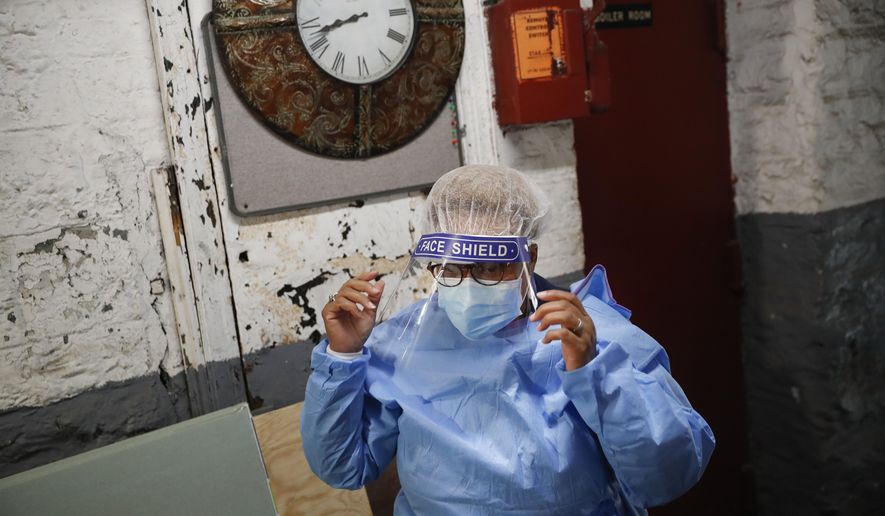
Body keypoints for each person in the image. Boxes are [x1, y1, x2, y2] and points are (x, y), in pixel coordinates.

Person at [301, 165, 715, 515]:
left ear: (528, 258)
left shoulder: (590, 335)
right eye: (449, 269)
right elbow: (342, 468)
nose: (466, 287)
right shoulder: (404, 343)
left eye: (490, 267)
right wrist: (343, 353)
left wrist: (595, 372)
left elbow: (668, 475)